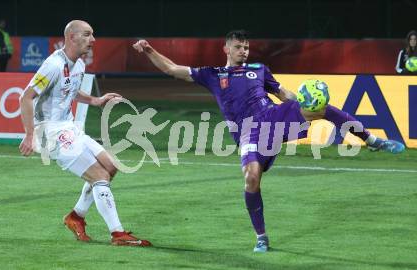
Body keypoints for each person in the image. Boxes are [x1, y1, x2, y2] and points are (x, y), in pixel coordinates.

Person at [132, 30, 405, 252]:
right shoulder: (213, 75)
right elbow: (171, 68)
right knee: (251, 179)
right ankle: (261, 237)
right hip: (248, 133)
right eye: (239, 47)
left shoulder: (259, 69)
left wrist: (300, 103)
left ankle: (371, 139)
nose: (244, 51)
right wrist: (149, 50)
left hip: (271, 116)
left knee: (320, 110)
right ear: (226, 49)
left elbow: (282, 92)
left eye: (246, 47)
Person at [19, 20, 151, 247]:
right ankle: (118, 234)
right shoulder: (53, 65)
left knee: (110, 168)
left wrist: (95, 100)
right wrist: (30, 135)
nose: (93, 40)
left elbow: (70, 90)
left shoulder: (78, 64)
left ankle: (76, 217)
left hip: (69, 128)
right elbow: (26, 97)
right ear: (71, 37)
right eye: (88, 35)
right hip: (51, 132)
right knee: (99, 175)